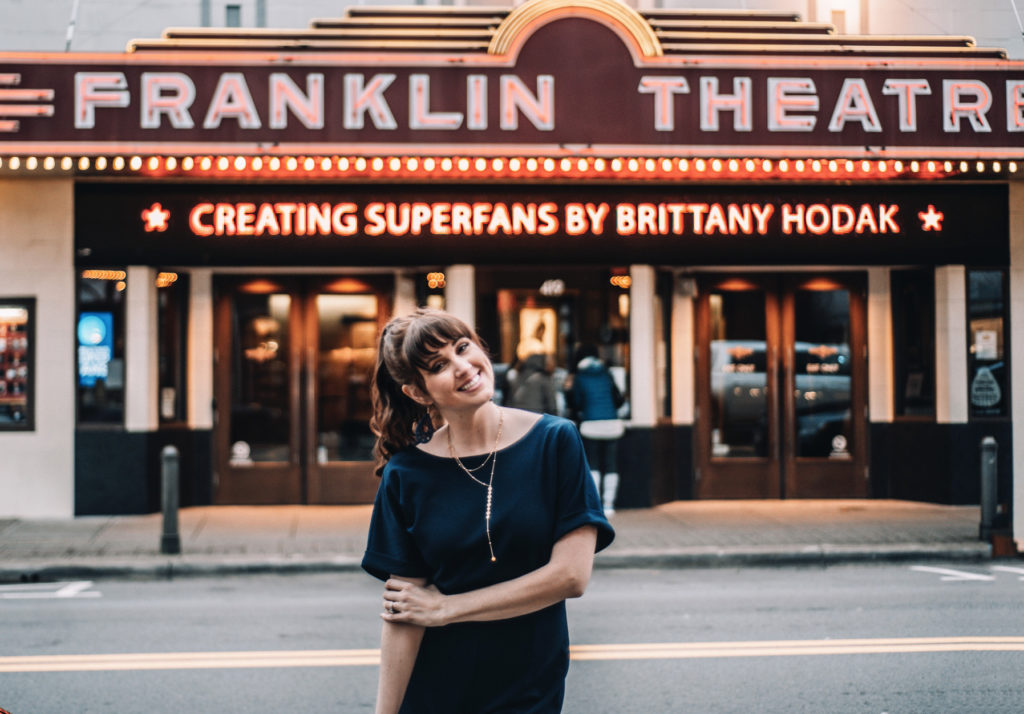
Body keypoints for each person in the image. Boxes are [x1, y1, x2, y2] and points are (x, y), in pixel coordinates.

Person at [363, 308, 615, 714]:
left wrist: (448, 608)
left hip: (528, 690)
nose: (463, 367)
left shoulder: (554, 442)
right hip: (436, 691)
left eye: (463, 348)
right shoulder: (406, 473)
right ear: (419, 392)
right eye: (439, 365)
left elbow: (570, 576)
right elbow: (404, 609)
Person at [565, 344, 625, 516]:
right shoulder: (607, 373)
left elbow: (576, 403)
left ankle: (595, 504)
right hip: (612, 424)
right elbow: (618, 399)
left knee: (593, 465)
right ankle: (609, 504)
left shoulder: (579, 377)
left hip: (590, 424)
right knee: (611, 465)